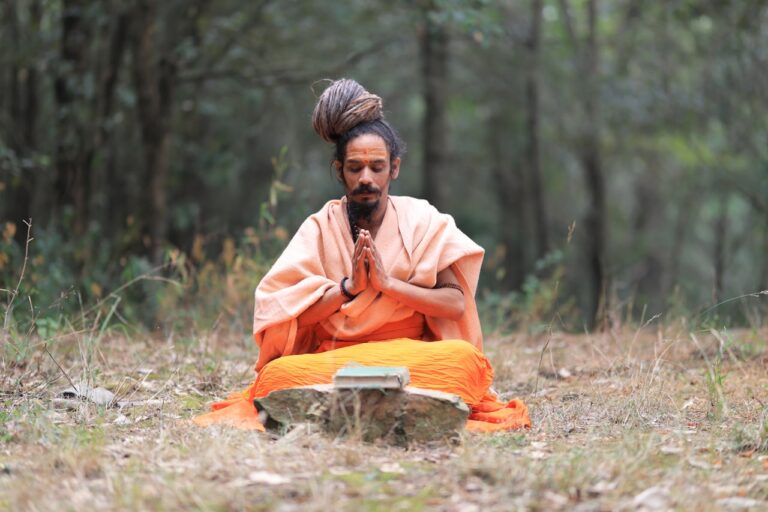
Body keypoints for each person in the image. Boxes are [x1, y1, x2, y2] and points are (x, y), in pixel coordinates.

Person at [194, 79, 530, 433]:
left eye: (377, 167)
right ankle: (407, 408)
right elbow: (287, 314)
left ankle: (332, 411)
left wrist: (388, 284)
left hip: (410, 355)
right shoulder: (319, 227)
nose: (366, 178)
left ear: (394, 168)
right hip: (336, 357)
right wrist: (348, 288)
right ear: (340, 171)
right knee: (277, 375)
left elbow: (454, 304)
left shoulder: (423, 219)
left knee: (463, 362)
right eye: (355, 168)